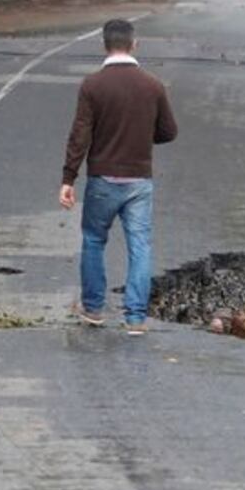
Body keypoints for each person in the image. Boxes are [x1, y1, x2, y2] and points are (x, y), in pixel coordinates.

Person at [59, 19, 178, 335]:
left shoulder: (93, 85)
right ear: (134, 44)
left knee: (94, 240)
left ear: (104, 45)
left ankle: (94, 308)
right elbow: (169, 132)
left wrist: (68, 178)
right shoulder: (153, 85)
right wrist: (139, 135)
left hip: (102, 180)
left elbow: (79, 136)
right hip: (139, 181)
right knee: (140, 244)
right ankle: (136, 317)